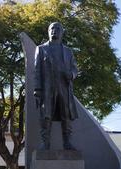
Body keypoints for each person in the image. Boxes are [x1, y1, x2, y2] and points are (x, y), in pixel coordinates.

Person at [34, 22, 78, 150]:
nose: (54, 31)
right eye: (52, 28)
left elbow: (75, 69)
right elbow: (37, 70)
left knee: (66, 115)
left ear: (62, 33)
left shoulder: (68, 51)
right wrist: (37, 89)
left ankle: (67, 142)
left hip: (64, 87)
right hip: (48, 87)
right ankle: (45, 143)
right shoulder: (41, 49)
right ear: (48, 31)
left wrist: (72, 74)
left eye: (58, 29)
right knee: (46, 115)